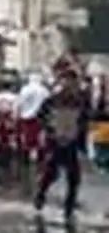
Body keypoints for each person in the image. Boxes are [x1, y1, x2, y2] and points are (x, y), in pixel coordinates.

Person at [34, 67, 89, 217]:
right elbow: (40, 116)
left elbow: (84, 122)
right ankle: (41, 195)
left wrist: (82, 144)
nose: (69, 84)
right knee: (51, 173)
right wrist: (50, 129)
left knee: (74, 178)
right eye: (66, 80)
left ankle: (68, 210)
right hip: (56, 142)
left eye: (72, 81)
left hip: (71, 143)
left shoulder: (81, 101)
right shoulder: (53, 100)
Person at [15, 73, 49, 163]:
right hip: (41, 117)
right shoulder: (44, 90)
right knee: (40, 138)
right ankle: (40, 159)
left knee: (27, 138)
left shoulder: (25, 89)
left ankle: (25, 159)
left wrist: (17, 114)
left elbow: (19, 103)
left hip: (26, 117)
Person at [0, 85, 18, 166]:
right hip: (7, 118)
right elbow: (14, 111)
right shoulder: (14, 97)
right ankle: (4, 159)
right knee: (7, 140)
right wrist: (13, 122)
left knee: (2, 138)